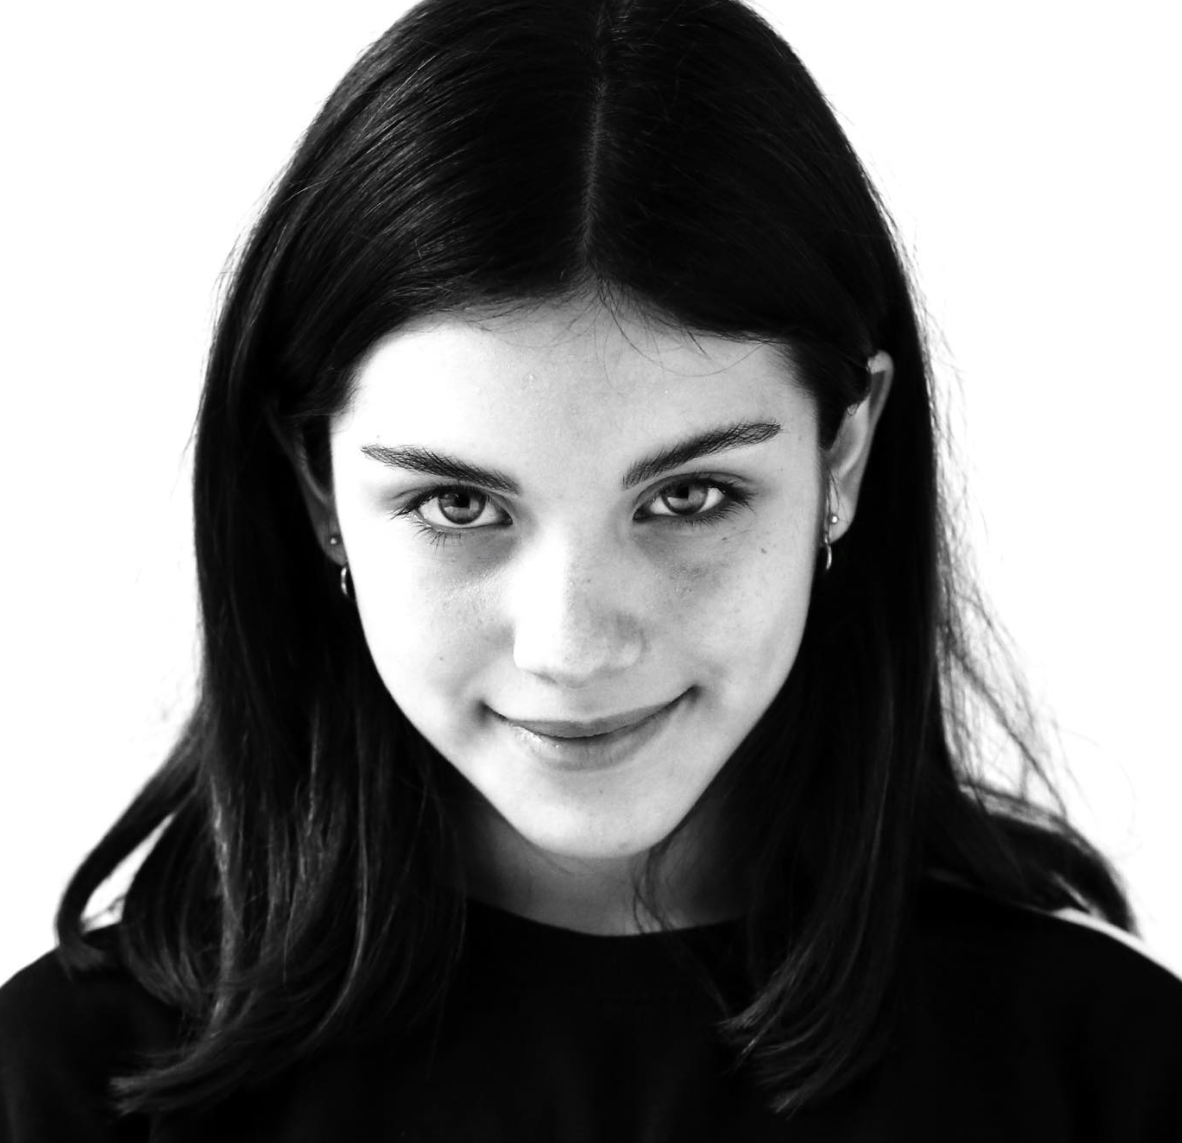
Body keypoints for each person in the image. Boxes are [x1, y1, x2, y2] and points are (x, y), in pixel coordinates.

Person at [1, 0, 1179, 1138]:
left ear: (843, 455)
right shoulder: (63, 1086)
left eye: (689, 498)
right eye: (457, 504)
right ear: (320, 489)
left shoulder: (1112, 1074)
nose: (572, 648)